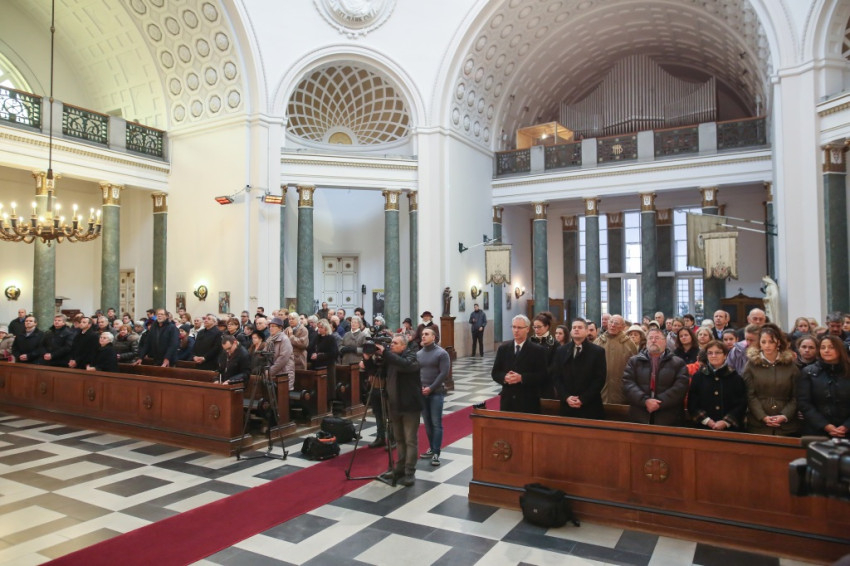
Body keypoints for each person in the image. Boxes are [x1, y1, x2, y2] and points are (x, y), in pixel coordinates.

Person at [376, 333, 422, 487]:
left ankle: (410, 472)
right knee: (399, 439)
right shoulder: (391, 358)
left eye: (395, 343)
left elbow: (405, 365)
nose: (392, 345)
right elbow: (378, 372)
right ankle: (399, 468)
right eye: (391, 343)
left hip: (410, 406)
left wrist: (385, 353)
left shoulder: (412, 357)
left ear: (404, 345)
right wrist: (368, 359)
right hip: (394, 405)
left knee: (410, 440)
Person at [622, 327, 690, 426]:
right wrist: (645, 401)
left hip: (669, 417)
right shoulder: (634, 361)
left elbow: (680, 387)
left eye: (657, 338)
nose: (653, 340)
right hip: (639, 414)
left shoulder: (678, 363)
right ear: (646, 342)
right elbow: (628, 384)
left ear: (665, 341)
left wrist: (659, 403)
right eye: (650, 338)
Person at [742, 323, 800, 436]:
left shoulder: (790, 366)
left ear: (778, 342)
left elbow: (796, 396)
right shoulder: (751, 365)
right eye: (763, 342)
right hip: (758, 424)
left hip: (786, 426)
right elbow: (750, 395)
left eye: (771, 342)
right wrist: (762, 416)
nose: (767, 345)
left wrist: (784, 415)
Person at [550, 318, 606, 419]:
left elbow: (599, 379)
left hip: (590, 405)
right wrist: (566, 397)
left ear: (586, 331)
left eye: (580, 327)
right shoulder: (561, 350)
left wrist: (583, 399)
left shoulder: (597, 352)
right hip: (567, 404)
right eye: (574, 327)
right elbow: (556, 377)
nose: (576, 329)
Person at [491, 315, 547, 413]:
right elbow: (495, 373)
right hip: (508, 400)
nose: (516, 330)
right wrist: (505, 377)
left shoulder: (538, 350)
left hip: (528, 401)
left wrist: (521, 378)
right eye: (514, 327)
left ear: (527, 329)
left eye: (519, 328)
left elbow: (543, 376)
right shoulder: (503, 349)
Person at [796, 335, 850, 438]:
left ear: (840, 349)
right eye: (823, 347)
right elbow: (804, 403)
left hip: (846, 431)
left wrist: (846, 426)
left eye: (831, 347)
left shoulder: (847, 371)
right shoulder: (809, 372)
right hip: (816, 430)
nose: (826, 351)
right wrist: (825, 425)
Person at [688, 340, 746, 431]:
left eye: (718, 353)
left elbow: (741, 404)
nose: (713, 356)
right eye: (710, 353)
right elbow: (692, 402)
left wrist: (726, 422)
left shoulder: (735, 377)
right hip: (703, 427)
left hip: (729, 429)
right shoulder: (698, 376)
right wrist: (707, 421)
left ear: (725, 355)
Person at [417, 327, 450, 466]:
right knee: (427, 423)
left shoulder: (441, 353)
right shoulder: (418, 353)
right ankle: (431, 448)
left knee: (436, 423)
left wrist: (431, 388)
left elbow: (444, 373)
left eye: (426, 334)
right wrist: (420, 387)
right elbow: (416, 372)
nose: (423, 336)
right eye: (422, 334)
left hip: (436, 392)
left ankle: (436, 452)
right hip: (422, 392)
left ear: (434, 337)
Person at [594, 314, 638, 404]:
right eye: (611, 322)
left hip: (622, 390)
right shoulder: (598, 342)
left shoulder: (629, 344)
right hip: (600, 390)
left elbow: (636, 369)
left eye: (616, 323)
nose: (613, 325)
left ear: (623, 327)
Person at [310, 319, 339, 410]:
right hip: (317, 365)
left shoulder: (331, 338)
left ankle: (328, 405)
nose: (319, 329)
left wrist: (319, 355)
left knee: (328, 386)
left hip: (328, 366)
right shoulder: (317, 337)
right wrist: (313, 353)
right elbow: (310, 347)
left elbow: (334, 353)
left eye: (321, 327)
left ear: (326, 328)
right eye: (318, 327)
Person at [265, 316, 294, 391]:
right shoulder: (270, 340)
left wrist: (270, 371)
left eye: (273, 326)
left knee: (282, 396)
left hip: (283, 374)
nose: (271, 328)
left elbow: (283, 359)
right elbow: (265, 354)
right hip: (273, 373)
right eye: (270, 326)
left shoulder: (284, 339)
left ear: (280, 328)